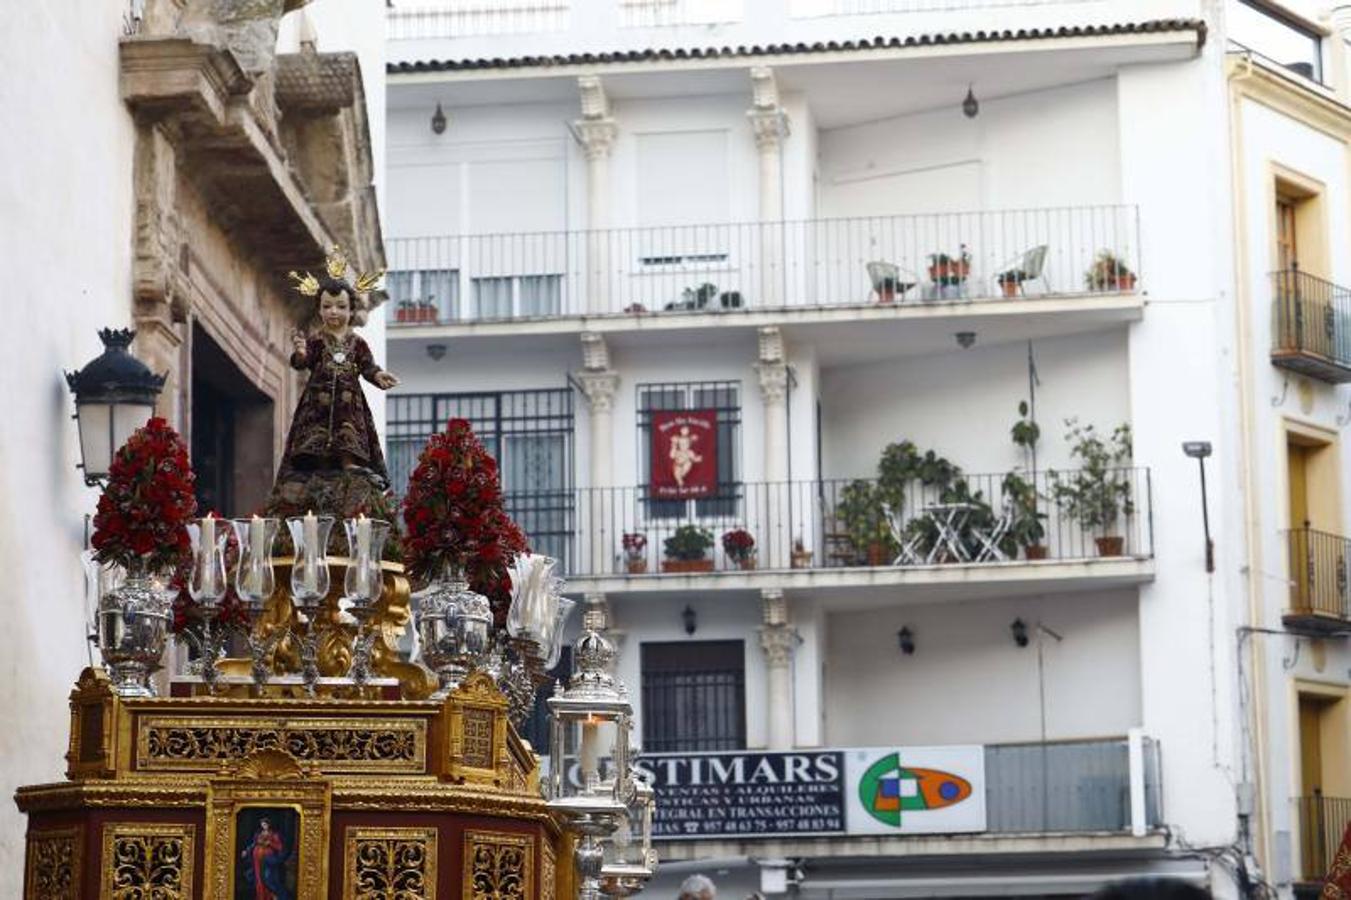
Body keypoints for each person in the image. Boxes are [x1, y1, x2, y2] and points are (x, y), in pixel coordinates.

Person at [280, 249, 399, 490]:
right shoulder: (316, 340)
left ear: (351, 310)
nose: (334, 311)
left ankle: (349, 463)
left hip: (348, 399)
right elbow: (301, 362)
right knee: (316, 431)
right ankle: (313, 466)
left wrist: (379, 375)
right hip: (318, 399)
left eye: (340, 306)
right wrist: (301, 353)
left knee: (348, 429)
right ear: (320, 309)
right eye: (328, 306)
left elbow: (368, 367)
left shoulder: (357, 343)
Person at [239, 816, 292, 900]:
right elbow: (253, 844)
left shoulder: (274, 834)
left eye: (265, 824)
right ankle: (261, 897)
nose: (263, 826)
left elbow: (279, 847)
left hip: (267, 860)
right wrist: (246, 851)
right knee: (258, 878)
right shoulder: (258, 834)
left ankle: (271, 896)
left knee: (267, 878)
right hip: (256, 859)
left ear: (268, 825)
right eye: (262, 824)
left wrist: (270, 843)